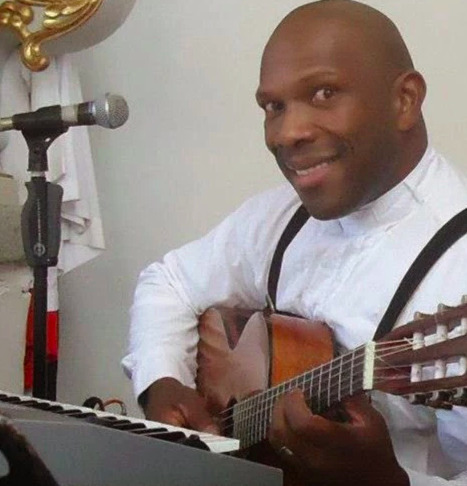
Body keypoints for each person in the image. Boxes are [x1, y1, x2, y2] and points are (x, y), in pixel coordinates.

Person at [122, 1, 467, 485]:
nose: (287, 134)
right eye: (273, 107)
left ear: (405, 100)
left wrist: (392, 482)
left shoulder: (458, 262)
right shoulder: (281, 217)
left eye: (324, 93)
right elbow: (170, 281)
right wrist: (161, 380)